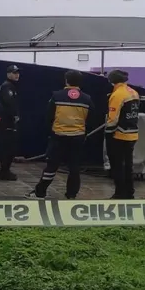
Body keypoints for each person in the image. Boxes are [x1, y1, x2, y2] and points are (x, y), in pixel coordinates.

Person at [31, 70, 93, 199]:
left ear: (66, 81)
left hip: (58, 136)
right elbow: (92, 118)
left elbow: (49, 116)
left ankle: (40, 193)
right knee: (74, 167)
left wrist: (51, 131)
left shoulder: (57, 96)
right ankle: (71, 195)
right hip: (78, 137)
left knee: (52, 165)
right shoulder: (87, 99)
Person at [104, 69, 141, 198]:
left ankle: (119, 193)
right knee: (128, 166)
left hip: (119, 135)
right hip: (133, 133)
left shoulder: (117, 95)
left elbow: (113, 119)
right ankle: (130, 193)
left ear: (111, 80)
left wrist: (108, 133)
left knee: (117, 165)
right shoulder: (134, 92)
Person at [0, 65, 21, 180]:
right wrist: (14, 116)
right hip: (6, 122)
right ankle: (4, 172)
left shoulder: (10, 86)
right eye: (14, 73)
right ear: (8, 74)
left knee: (9, 148)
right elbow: (9, 104)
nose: (17, 75)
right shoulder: (7, 87)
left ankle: (5, 170)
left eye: (18, 73)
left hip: (7, 122)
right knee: (8, 148)